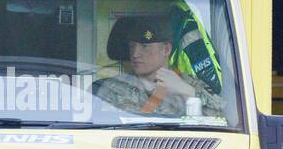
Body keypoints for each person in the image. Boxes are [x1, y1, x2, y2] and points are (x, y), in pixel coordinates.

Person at [93, 16, 224, 118]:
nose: (135, 54)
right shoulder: (114, 87)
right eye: (132, 46)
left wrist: (185, 91)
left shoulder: (192, 85)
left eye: (145, 46)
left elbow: (222, 127)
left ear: (166, 49)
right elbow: (102, 134)